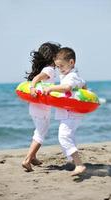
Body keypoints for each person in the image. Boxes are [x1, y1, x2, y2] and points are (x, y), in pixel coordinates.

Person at [43, 47, 86, 176]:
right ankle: (72, 161)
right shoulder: (73, 75)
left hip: (71, 113)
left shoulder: (71, 76)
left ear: (71, 62)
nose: (60, 69)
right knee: (69, 137)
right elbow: (83, 84)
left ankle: (79, 164)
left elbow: (67, 87)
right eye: (57, 67)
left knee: (63, 137)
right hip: (71, 113)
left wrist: (51, 88)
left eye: (61, 66)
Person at [22, 42, 61, 172]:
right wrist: (32, 87)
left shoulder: (44, 69)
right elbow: (37, 79)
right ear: (53, 57)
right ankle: (27, 160)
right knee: (41, 133)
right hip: (42, 108)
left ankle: (33, 157)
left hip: (35, 106)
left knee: (38, 130)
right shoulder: (49, 70)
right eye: (59, 56)